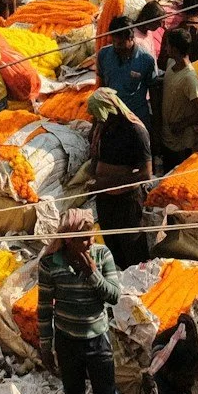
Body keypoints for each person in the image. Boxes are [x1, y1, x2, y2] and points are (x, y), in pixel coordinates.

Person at [36, 209, 130, 394]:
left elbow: (114, 296)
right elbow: (45, 308)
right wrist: (45, 346)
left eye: (91, 237)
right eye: (83, 239)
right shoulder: (50, 264)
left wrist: (93, 274)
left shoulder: (102, 255)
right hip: (67, 340)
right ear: (67, 239)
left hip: (96, 339)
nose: (90, 243)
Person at [85, 90, 152, 266]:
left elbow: (146, 174)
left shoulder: (135, 130)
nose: (100, 120)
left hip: (126, 200)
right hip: (105, 198)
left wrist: (107, 183)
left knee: (132, 245)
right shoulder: (104, 126)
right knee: (111, 241)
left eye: (102, 116)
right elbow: (96, 152)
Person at [156, 28, 198, 168]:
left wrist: (180, 125)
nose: (165, 48)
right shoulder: (170, 64)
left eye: (167, 45)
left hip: (180, 145)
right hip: (167, 138)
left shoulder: (189, 78)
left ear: (174, 49)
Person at [96, 20, 156, 129]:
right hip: (112, 119)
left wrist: (156, 123)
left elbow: (154, 91)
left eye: (120, 43)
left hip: (136, 120)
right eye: (113, 41)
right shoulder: (103, 55)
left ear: (131, 38)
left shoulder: (146, 59)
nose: (116, 46)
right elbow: (101, 88)